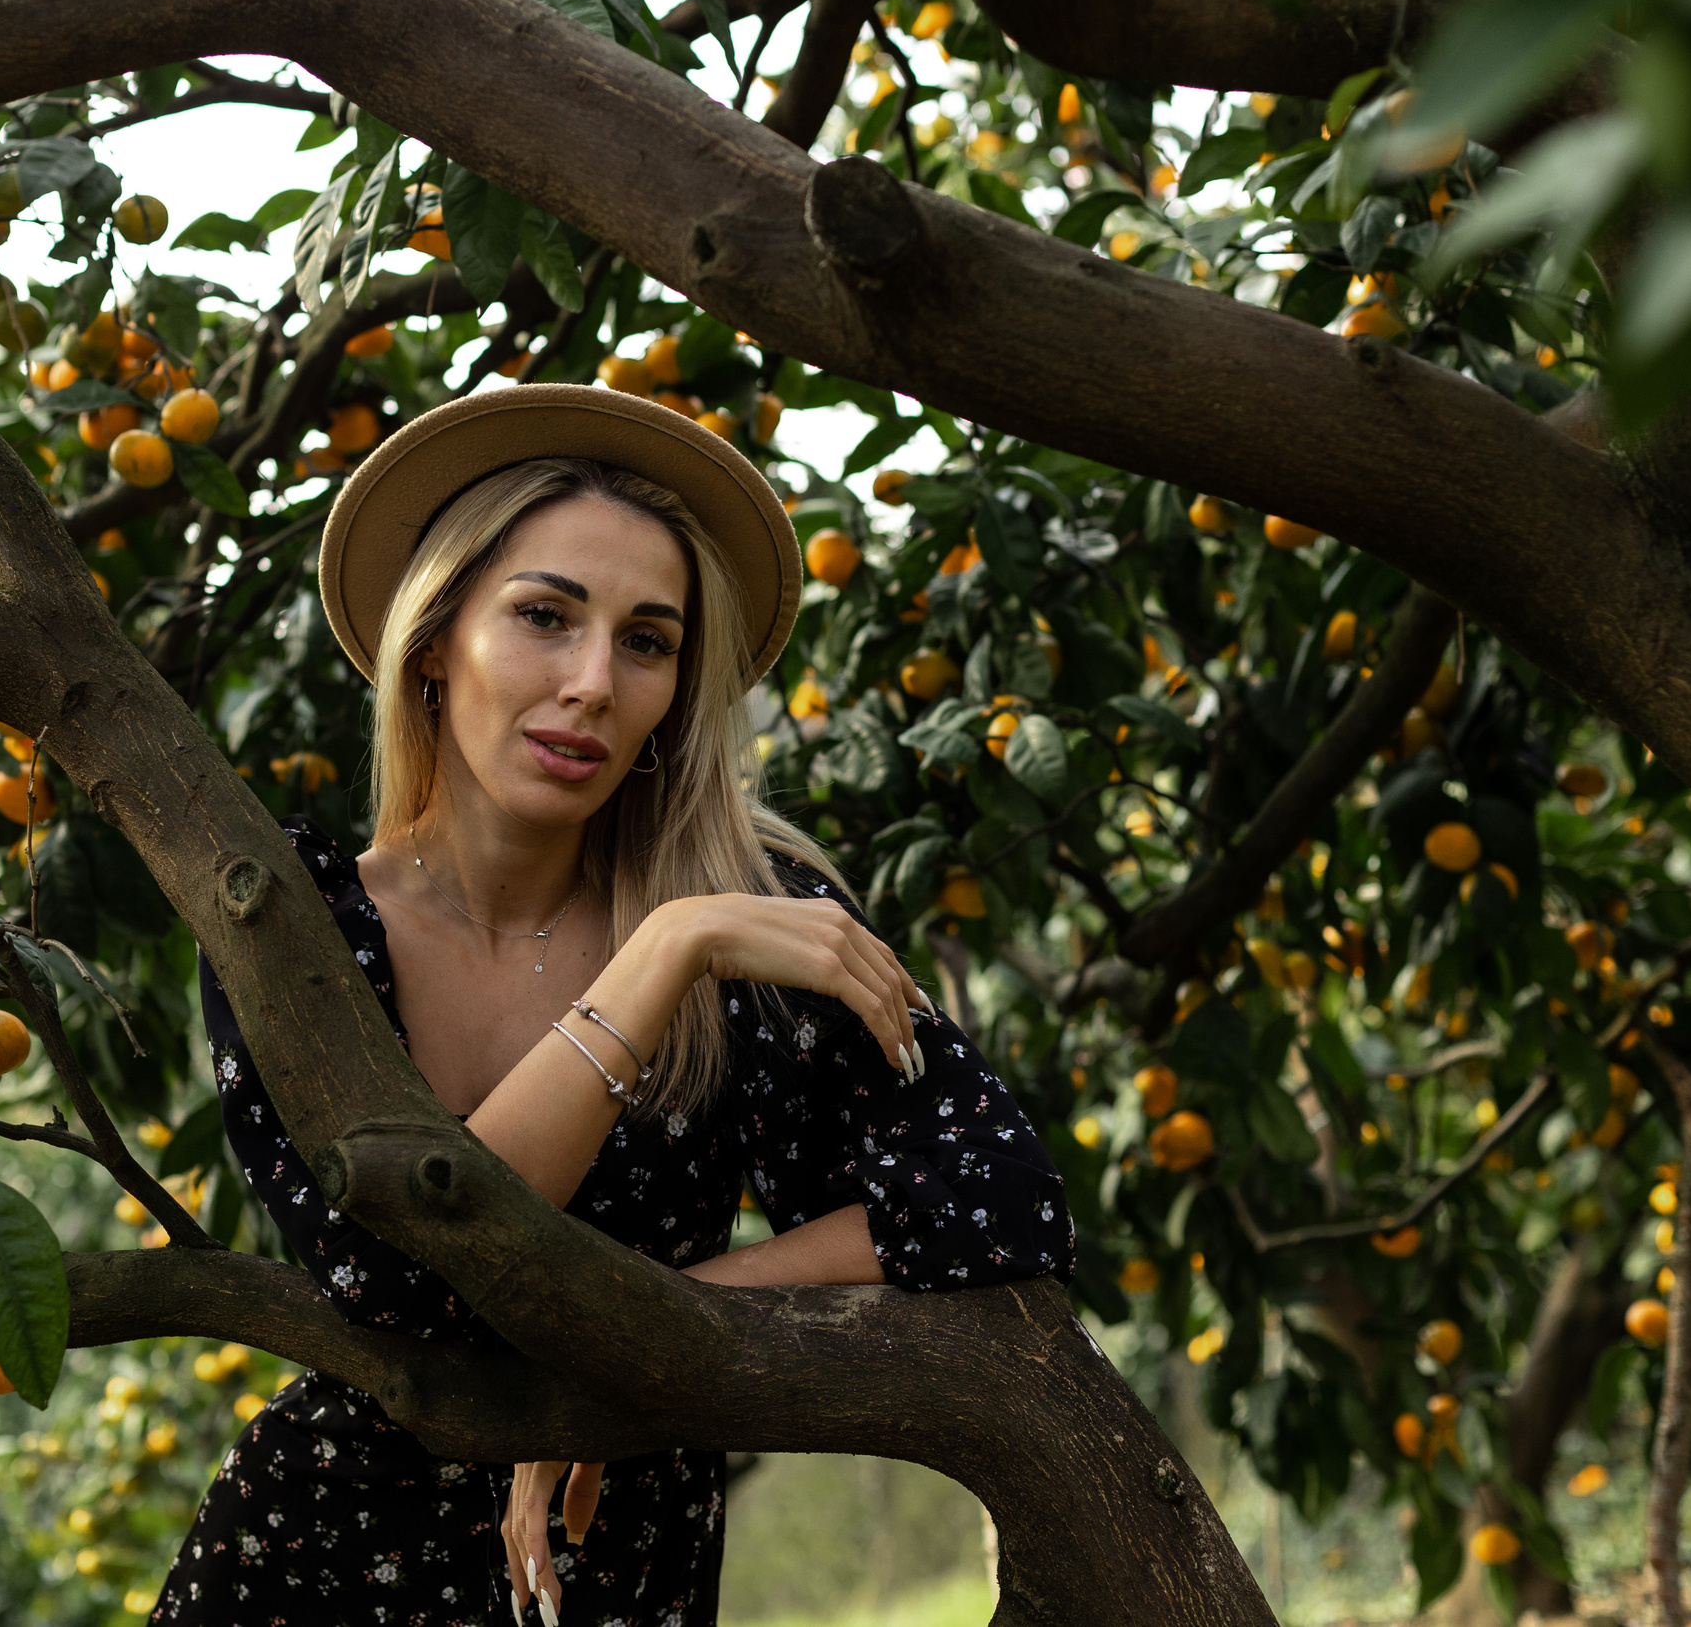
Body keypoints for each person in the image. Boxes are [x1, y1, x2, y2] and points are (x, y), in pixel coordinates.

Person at [148, 383, 1075, 1627]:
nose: (593, 683)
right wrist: (664, 954)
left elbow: (1000, 1203)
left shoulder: (746, 910)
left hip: (616, 1560)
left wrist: (651, 1339)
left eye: (646, 641)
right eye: (544, 616)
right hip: (315, 1557)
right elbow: (413, 1278)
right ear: (435, 641)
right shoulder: (292, 923)